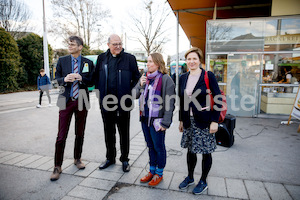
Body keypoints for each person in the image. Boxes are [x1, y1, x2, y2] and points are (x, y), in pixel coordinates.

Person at [178, 47, 222, 194]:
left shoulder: (208, 76)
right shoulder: (183, 77)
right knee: (191, 150)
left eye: (194, 59)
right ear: (186, 61)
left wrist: (215, 121)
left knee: (205, 152)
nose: (191, 61)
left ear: (200, 60)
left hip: (205, 120)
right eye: (189, 59)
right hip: (188, 120)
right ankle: (190, 177)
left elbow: (218, 98)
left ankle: (203, 180)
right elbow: (182, 100)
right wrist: (181, 120)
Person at [50, 36, 94, 181]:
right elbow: (56, 79)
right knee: (61, 135)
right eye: (69, 44)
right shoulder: (62, 61)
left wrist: (82, 78)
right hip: (65, 100)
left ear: (80, 47)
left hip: (82, 100)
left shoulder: (87, 62)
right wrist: (65, 80)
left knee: (80, 132)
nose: (70, 46)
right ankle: (57, 166)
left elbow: (92, 81)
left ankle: (77, 159)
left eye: (73, 44)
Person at [94, 34, 140, 172]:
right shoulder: (102, 58)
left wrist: (129, 94)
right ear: (108, 45)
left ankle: (125, 160)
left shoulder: (129, 59)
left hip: (123, 103)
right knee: (108, 132)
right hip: (106, 103)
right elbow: (96, 77)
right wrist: (100, 94)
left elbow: (136, 78)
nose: (118, 46)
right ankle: (110, 158)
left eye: (120, 43)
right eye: (115, 44)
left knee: (124, 133)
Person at [133, 53, 175, 186]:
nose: (148, 64)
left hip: (158, 120)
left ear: (158, 63)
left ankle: (159, 173)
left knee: (158, 147)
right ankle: (151, 170)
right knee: (150, 146)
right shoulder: (145, 78)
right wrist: (140, 85)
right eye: (147, 61)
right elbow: (134, 95)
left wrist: (166, 122)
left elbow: (170, 103)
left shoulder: (166, 79)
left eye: (150, 61)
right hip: (145, 118)